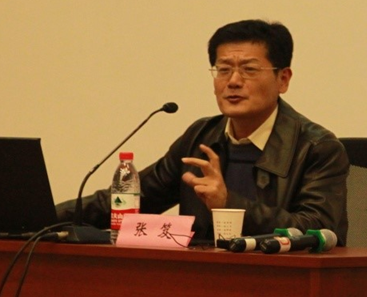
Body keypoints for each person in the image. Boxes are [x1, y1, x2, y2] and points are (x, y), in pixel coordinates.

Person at [57, 19, 349, 245]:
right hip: (202, 279)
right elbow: (132, 199)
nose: (233, 81)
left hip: (281, 283)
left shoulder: (316, 147)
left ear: (282, 79)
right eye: (223, 69)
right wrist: (45, 217)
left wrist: (228, 205)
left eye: (249, 69)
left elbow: (318, 230)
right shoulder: (201, 136)